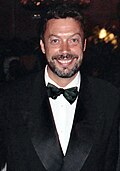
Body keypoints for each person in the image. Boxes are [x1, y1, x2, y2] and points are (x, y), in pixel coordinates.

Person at [0, 2, 120, 171]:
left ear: (84, 45)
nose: (65, 50)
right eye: (55, 40)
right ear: (43, 46)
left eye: (73, 40)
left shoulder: (110, 99)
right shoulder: (10, 98)